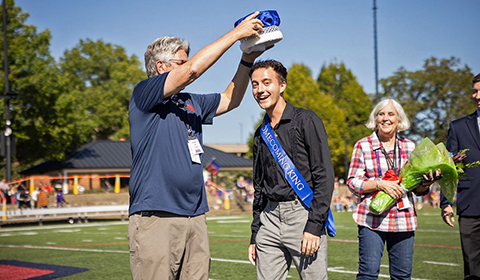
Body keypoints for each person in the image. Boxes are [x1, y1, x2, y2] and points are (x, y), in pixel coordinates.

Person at [127, 12, 269, 280]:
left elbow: (231, 99)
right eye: (180, 61)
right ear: (161, 67)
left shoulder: (190, 101)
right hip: (157, 216)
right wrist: (237, 34)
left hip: (195, 215)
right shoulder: (143, 93)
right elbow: (192, 71)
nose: (188, 65)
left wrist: (247, 58)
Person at [247, 60, 335, 279]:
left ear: (282, 85)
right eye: (255, 84)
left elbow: (324, 174)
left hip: (302, 216)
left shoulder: (307, 120)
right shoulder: (260, 134)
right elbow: (259, 187)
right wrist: (255, 234)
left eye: (267, 82)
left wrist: (315, 226)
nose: (260, 90)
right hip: (269, 219)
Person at [347, 98, 440, 280]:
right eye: (381, 114)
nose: (386, 118)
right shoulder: (363, 145)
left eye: (391, 114)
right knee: (367, 275)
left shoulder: (410, 146)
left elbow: (418, 189)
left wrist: (427, 183)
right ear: (375, 119)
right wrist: (380, 183)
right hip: (371, 219)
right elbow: (352, 181)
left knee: (402, 276)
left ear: (399, 120)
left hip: (403, 219)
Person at [440, 73, 480, 280]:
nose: (477, 96)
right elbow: (448, 169)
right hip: (470, 206)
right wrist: (445, 203)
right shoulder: (458, 127)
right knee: (472, 271)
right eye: (474, 91)